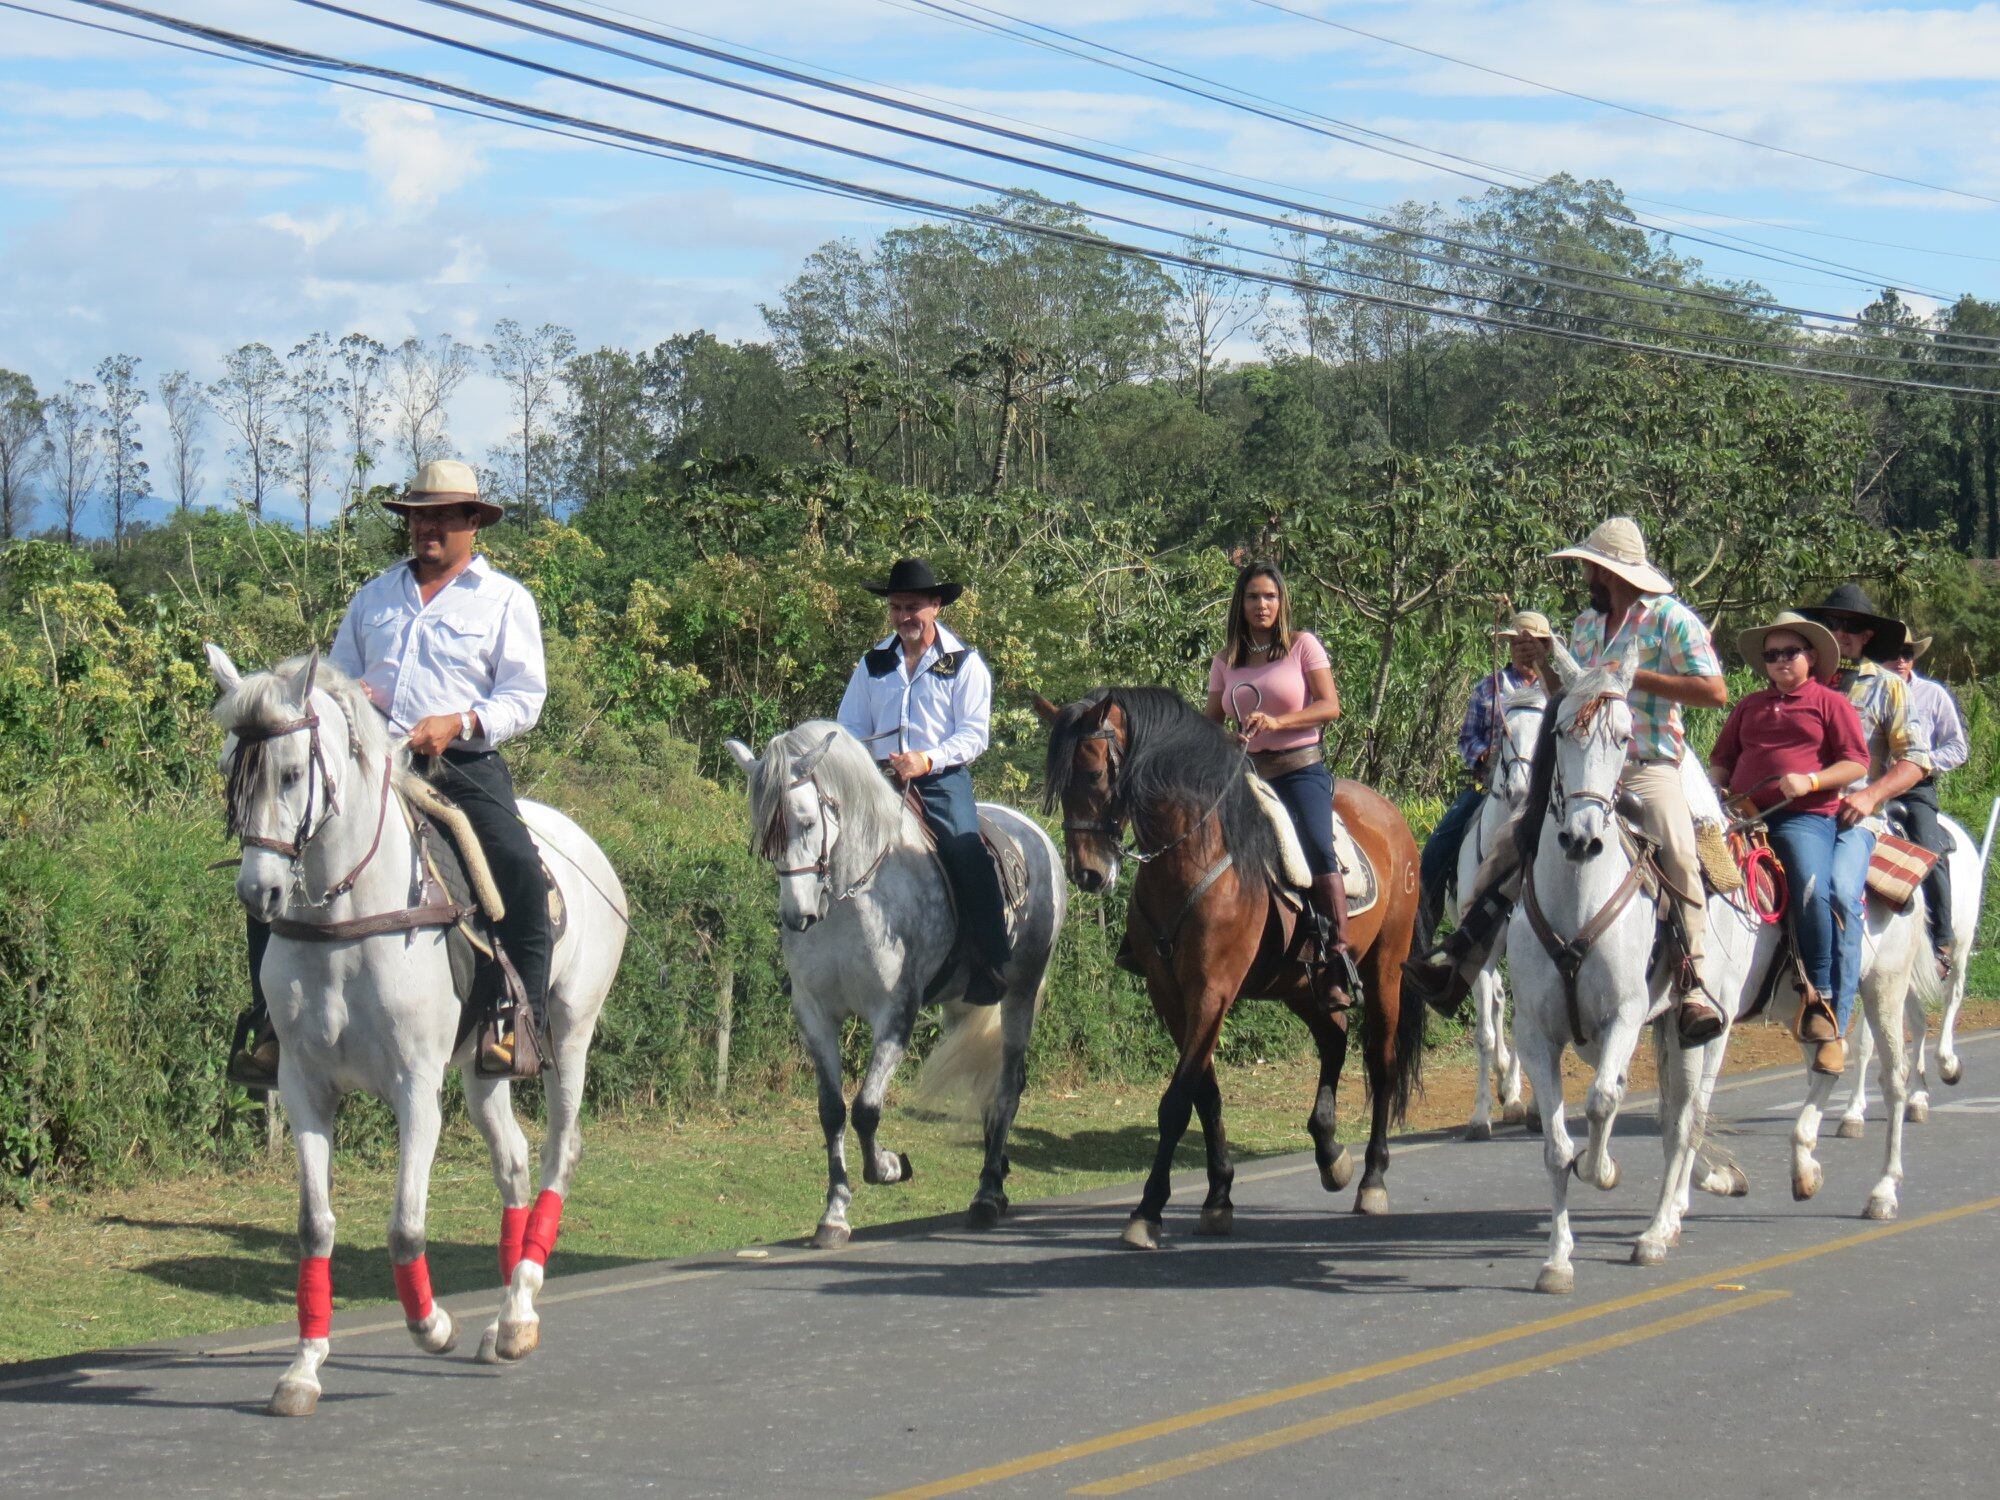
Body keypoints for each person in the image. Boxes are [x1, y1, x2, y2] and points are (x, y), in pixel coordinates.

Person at [228, 459, 551, 1087]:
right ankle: (270, 1026)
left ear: (472, 523)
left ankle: (519, 1021)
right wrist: (350, 697)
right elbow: (333, 682)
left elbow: (525, 696)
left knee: (516, 866)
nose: (428, 528)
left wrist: (461, 721)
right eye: (419, 517)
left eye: (443, 517)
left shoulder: (505, 599)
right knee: (272, 864)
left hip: (460, 764)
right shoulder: (374, 596)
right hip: (371, 766)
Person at [1405, 517, 1728, 1044]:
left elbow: (1714, 691)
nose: (1584, 576)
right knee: (1510, 841)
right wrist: (1548, 665)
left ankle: (1693, 978)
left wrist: (1630, 678)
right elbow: (1568, 697)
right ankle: (1462, 956)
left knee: (1679, 850)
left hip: (1647, 763)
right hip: (1580, 766)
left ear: (1610, 572)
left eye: (1589, 568)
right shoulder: (1584, 626)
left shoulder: (1671, 620)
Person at [836, 557, 1009, 1004]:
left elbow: (973, 734)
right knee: (820, 841)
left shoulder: (964, 663)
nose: (903, 617)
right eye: (896, 608)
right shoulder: (873, 663)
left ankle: (990, 959)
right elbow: (849, 726)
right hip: (876, 781)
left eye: (912, 608)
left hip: (940, 781)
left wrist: (927, 760)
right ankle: (813, 957)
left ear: (936, 606)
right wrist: (862, 766)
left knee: (965, 850)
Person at [1709, 613, 1869, 1075]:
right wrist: (1716, 787)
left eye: (1790, 652)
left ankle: (1822, 1003)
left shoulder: (1830, 703)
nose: (1780, 661)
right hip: (1743, 815)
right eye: (1772, 655)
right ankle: (1693, 981)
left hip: (1803, 818)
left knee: (1812, 889)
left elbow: (1856, 762)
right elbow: (1722, 759)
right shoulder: (1750, 705)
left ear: (1811, 657)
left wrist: (1811, 780)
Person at [1202, 560, 1351, 1006]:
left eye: (1269, 596)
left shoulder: (1303, 646)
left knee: (1318, 847)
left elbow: (1330, 706)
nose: (1261, 605)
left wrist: (1277, 721)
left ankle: (1338, 956)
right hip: (1246, 773)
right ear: (1240, 603)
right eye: (1253, 597)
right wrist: (1225, 739)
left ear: (1281, 601)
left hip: (1299, 769)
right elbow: (1209, 724)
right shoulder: (1226, 661)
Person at [1795, 585, 1934, 1023]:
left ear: (1867, 636)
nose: (1840, 633)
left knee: (1839, 891)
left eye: (1851, 626)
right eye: (1830, 624)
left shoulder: (1888, 687)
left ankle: (1835, 1011)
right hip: (1793, 812)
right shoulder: (1797, 680)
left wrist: (1869, 795)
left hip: (1851, 816)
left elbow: (1916, 760)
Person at [1417, 610, 1554, 949]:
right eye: (1518, 643)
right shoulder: (1488, 687)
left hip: (1543, 793)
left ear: (1546, 648)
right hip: (1488, 787)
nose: (1524, 650)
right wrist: (1486, 755)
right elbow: (1468, 739)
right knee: (1438, 847)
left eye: (1532, 644)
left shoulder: (1556, 691)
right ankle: (1422, 939)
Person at [1888, 634, 1966, 978]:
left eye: (1907, 654)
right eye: (1894, 654)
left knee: (1928, 849)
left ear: (1914, 658)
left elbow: (1957, 747)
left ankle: (1942, 939)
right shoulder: (1869, 691)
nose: (1901, 660)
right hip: (1872, 786)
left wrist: (1922, 763)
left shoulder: (1933, 695)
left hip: (1916, 788)